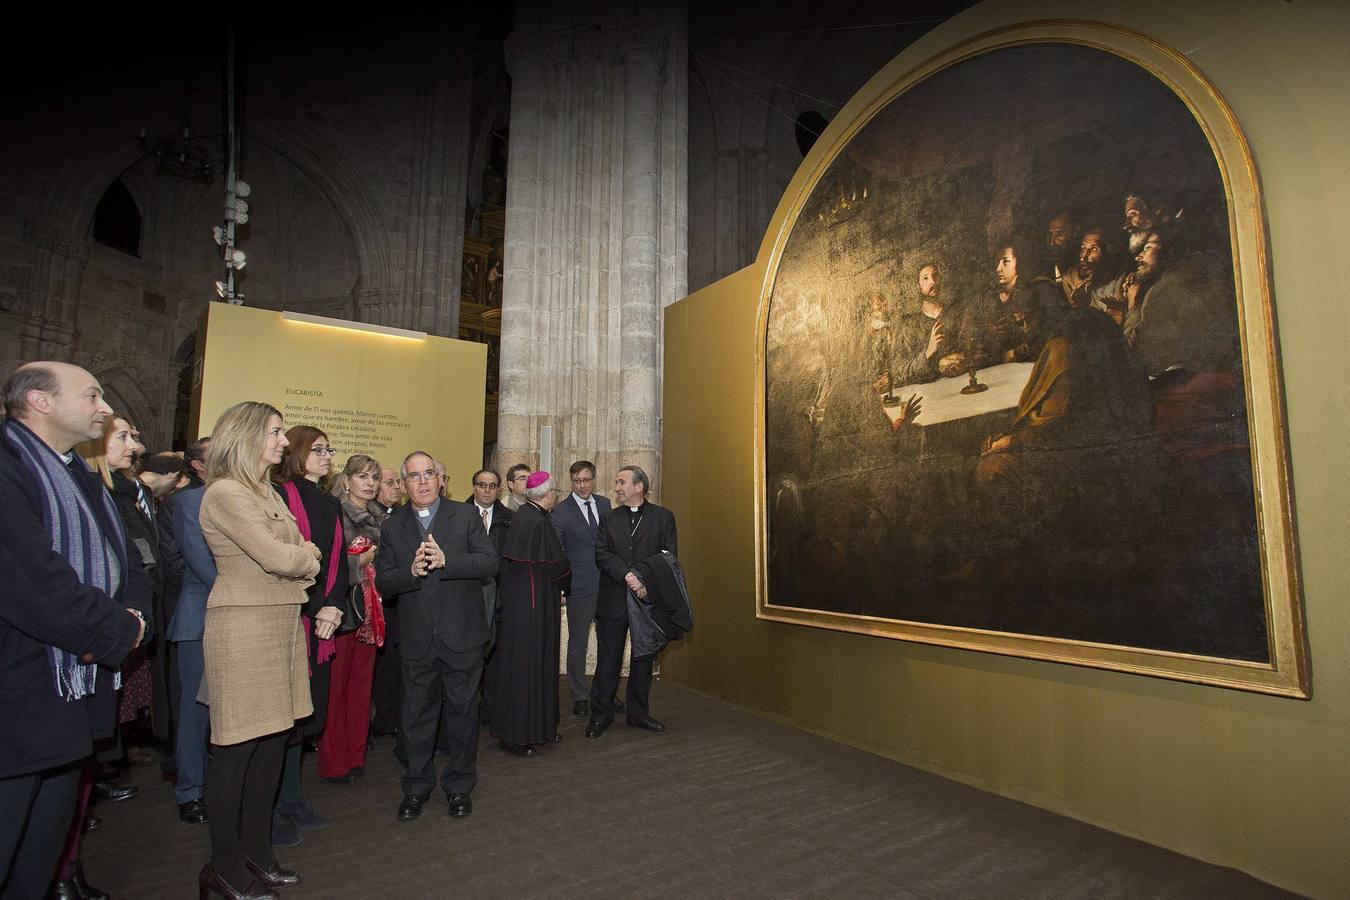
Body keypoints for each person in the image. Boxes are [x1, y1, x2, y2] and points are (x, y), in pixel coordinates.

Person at [0, 362, 146, 900]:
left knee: (38, 856)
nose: (104, 409)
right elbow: (33, 582)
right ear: (39, 401)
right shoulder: (9, 468)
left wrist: (134, 617)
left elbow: (126, 564)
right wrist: (118, 632)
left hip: (70, 701)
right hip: (19, 695)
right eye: (92, 396)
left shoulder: (80, 476)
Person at [197, 400, 321, 899]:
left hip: (282, 623)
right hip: (244, 626)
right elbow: (281, 553)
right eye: (273, 432)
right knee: (237, 748)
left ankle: (256, 852)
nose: (281, 441)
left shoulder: (265, 491)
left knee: (272, 743)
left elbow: (295, 550)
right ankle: (223, 867)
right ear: (247, 436)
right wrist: (304, 556)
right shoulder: (226, 493)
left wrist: (300, 556)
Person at [376, 452, 497, 821]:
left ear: (440, 479)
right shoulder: (393, 525)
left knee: (462, 715)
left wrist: (449, 562)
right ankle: (416, 787)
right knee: (416, 717)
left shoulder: (464, 515)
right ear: (404, 484)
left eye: (429, 473)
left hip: (462, 635)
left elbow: (489, 562)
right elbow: (383, 581)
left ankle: (459, 787)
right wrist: (410, 571)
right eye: (414, 476)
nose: (423, 481)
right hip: (416, 639)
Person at [268, 426, 349, 846]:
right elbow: (284, 560)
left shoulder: (329, 502)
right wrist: (315, 606)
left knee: (304, 715)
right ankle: (273, 807)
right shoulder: (279, 495)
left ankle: (293, 797)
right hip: (291, 617)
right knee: (280, 718)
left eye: (328, 450)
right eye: (318, 450)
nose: (325, 456)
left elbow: (337, 561)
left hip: (323, 620)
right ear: (297, 453)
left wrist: (333, 606)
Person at [586, 465, 677, 739]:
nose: (617, 487)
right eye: (616, 482)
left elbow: (668, 557)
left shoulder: (664, 518)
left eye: (621, 482)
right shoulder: (609, 518)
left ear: (639, 487)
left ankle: (638, 714)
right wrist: (627, 575)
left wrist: (643, 579)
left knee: (643, 660)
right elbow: (601, 554)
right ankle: (600, 715)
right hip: (613, 599)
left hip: (646, 600)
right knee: (608, 659)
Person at [317, 454, 388, 785]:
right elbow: (327, 569)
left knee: (362, 686)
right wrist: (360, 563)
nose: (370, 483)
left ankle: (355, 755)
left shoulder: (379, 518)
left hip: (370, 613)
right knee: (337, 689)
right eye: (363, 476)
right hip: (341, 613)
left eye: (374, 477)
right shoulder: (334, 513)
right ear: (346, 481)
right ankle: (334, 761)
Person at [491, 471, 570, 756]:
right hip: (532, 607)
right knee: (527, 668)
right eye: (555, 493)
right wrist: (568, 581)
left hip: (525, 604)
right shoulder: (535, 521)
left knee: (532, 665)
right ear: (547, 495)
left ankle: (539, 729)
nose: (555, 497)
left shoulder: (526, 516)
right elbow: (555, 564)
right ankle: (518, 735)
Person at [168, 436, 214, 826]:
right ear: (197, 466)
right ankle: (190, 790)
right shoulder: (188, 502)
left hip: (236, 617)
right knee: (195, 710)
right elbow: (201, 562)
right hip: (200, 618)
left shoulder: (245, 497)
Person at [551, 459, 612, 718]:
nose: (582, 485)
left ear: (594, 479)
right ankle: (579, 695)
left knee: (609, 641)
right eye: (577, 481)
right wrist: (562, 586)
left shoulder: (605, 504)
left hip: (608, 584)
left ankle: (605, 692)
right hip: (579, 587)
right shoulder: (561, 511)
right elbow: (557, 552)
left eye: (586, 480)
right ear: (571, 481)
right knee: (578, 643)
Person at [465, 468, 512, 726]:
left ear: (499, 489)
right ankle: (468, 709)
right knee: (470, 658)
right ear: (474, 487)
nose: (487, 490)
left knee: (495, 656)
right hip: (468, 596)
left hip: (499, 597)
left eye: (492, 486)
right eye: (482, 485)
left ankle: (491, 710)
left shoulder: (509, 519)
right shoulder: (457, 515)